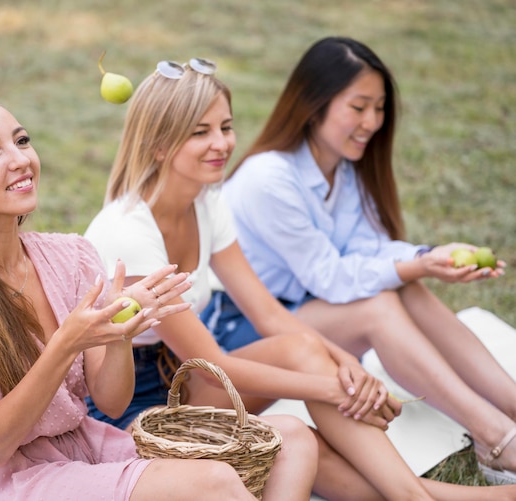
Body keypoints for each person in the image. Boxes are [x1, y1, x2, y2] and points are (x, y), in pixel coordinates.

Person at [84, 58, 516, 500]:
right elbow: (219, 367)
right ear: (158, 145)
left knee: (302, 351)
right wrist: (339, 388)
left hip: (187, 377)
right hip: (134, 409)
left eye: (226, 127)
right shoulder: (128, 234)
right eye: (200, 132)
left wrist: (344, 365)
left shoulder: (206, 200)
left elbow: (269, 314)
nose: (222, 143)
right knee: (302, 445)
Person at [0, 90, 313, 501]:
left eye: (22, 141)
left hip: (84, 449)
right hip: (1, 478)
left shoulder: (69, 257)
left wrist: (119, 332)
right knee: (214, 483)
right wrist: (65, 345)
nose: (21, 159)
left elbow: (112, 403)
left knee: (290, 437)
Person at [206, 35, 516, 486]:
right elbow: (330, 277)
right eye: (359, 107)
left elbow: (371, 248)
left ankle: (511, 406)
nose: (372, 121)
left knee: (404, 284)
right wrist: (418, 265)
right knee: (379, 305)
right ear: (314, 105)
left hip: (302, 313)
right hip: (246, 332)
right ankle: (496, 437)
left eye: (380, 107)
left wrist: (428, 258)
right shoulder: (267, 178)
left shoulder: (344, 168)